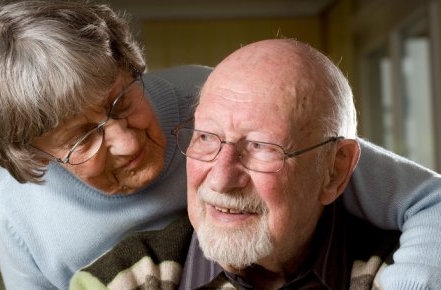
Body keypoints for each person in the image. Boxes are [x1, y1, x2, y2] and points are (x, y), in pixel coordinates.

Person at [0, 0, 441, 289]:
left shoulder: (214, 101)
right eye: (83, 139)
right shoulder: (19, 213)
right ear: (37, 158)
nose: (125, 143)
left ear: (132, 68)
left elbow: (427, 201)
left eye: (122, 101)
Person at [69, 39, 441, 290]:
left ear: (336, 169)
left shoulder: (402, 268)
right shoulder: (121, 280)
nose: (221, 178)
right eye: (206, 138)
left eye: (262, 146)